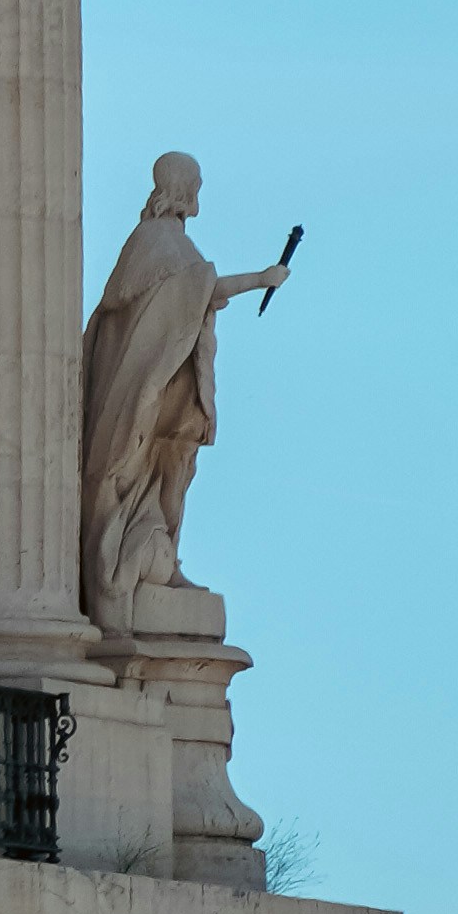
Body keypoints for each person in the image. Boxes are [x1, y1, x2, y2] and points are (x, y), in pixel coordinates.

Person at [77, 151, 296, 631]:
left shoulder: (175, 242)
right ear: (180, 186)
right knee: (141, 472)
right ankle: (132, 562)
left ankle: (167, 560)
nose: (199, 190)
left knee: (177, 473)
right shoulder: (154, 239)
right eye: (195, 181)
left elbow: (197, 294)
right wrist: (262, 278)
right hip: (150, 390)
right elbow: (199, 290)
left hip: (178, 390)